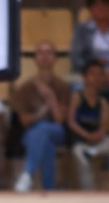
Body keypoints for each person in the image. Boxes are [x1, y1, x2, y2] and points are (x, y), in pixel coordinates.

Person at [12, 40, 72, 192]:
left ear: (55, 58)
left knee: (44, 130)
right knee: (46, 144)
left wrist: (51, 98)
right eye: (41, 53)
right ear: (35, 58)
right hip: (31, 133)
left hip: (57, 131)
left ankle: (28, 173)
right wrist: (40, 114)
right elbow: (24, 121)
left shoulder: (63, 86)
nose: (45, 56)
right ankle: (48, 190)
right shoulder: (25, 87)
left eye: (49, 53)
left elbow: (60, 120)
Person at [66, 59, 109, 191]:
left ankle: (92, 152)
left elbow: (103, 127)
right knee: (79, 156)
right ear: (84, 78)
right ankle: (89, 192)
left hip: (95, 144)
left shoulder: (102, 102)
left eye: (99, 74)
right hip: (79, 141)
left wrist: (99, 134)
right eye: (92, 74)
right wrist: (87, 135)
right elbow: (71, 122)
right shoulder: (77, 96)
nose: (96, 77)